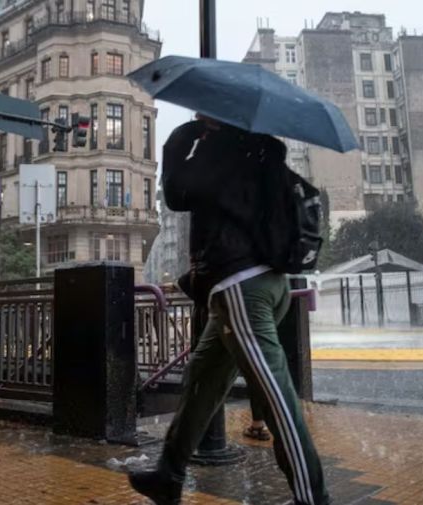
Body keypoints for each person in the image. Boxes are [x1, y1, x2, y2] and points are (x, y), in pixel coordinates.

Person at [128, 117, 330, 505]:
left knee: (276, 396)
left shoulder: (221, 151)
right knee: (202, 379)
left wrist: (181, 137)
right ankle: (168, 476)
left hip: (241, 288)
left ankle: (313, 498)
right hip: (260, 284)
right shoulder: (260, 151)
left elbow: (175, 192)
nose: (199, 118)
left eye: (204, 114)